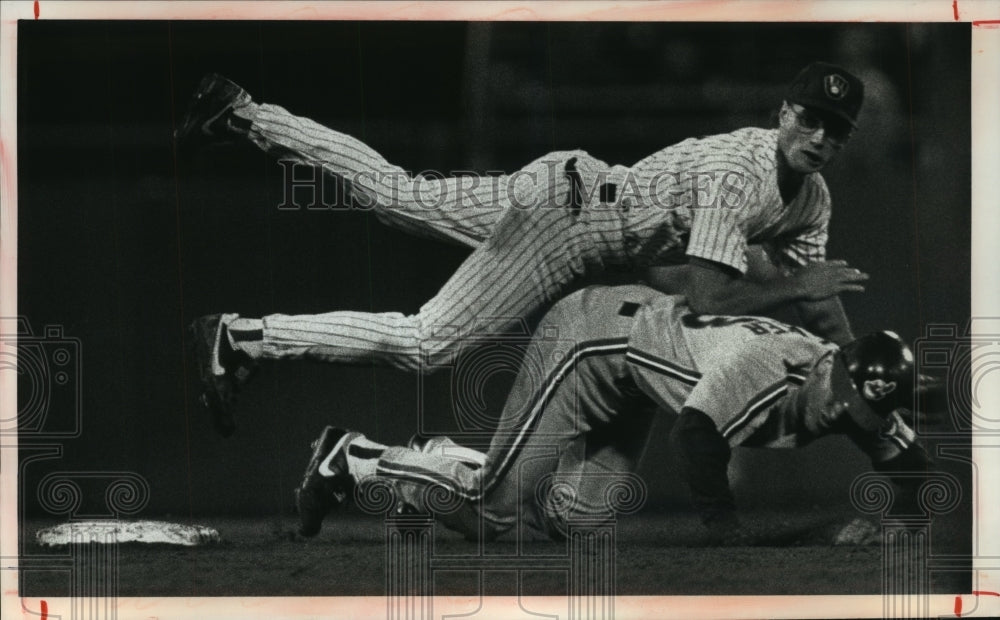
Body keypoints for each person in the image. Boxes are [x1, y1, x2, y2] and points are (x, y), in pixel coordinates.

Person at [178, 62, 870, 435]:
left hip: (570, 189)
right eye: (809, 118)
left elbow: (824, 297)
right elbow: (710, 296)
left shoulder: (811, 199)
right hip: (566, 226)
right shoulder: (738, 174)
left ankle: (241, 111)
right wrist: (795, 291)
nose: (818, 136)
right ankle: (242, 339)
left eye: (834, 129)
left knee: (397, 194)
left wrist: (860, 369)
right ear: (783, 112)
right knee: (428, 342)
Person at [291, 284, 933, 542]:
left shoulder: (858, 388)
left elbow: (910, 463)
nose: (837, 412)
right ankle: (357, 458)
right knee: (494, 513)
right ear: (834, 368)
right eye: (840, 394)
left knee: (575, 526)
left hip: (639, 371)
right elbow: (697, 435)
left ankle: (440, 461)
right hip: (594, 341)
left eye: (855, 410)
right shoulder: (764, 366)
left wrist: (902, 523)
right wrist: (728, 535)